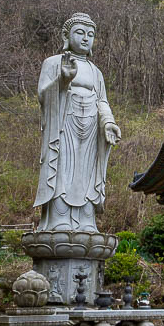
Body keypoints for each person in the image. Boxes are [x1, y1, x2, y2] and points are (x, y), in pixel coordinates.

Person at [33, 12, 121, 232]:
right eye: (80, 33)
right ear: (66, 35)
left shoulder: (96, 72)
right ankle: (59, 219)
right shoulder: (53, 63)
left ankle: (86, 221)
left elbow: (102, 101)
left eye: (90, 34)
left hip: (91, 129)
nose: (85, 38)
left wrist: (108, 122)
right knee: (63, 171)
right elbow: (43, 96)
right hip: (64, 125)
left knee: (87, 173)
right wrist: (62, 80)